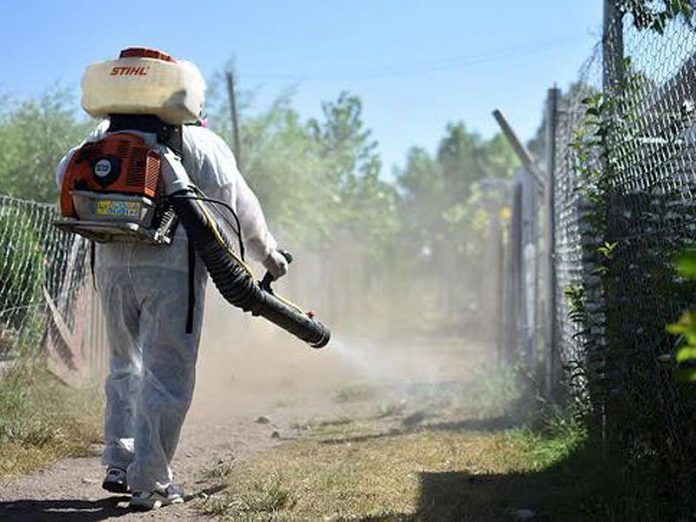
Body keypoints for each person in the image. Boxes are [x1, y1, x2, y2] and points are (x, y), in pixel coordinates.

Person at [55, 47, 288, 510]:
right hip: (170, 268)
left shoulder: (102, 135)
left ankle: (119, 462)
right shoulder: (201, 144)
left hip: (112, 262)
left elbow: (65, 172)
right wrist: (270, 256)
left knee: (124, 365)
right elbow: (240, 209)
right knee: (167, 371)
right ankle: (151, 480)